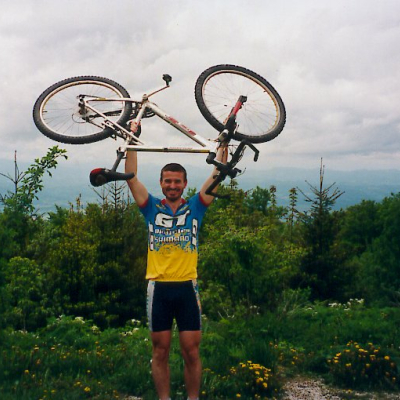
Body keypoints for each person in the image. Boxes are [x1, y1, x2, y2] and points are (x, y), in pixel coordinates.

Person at [125, 144, 228, 400]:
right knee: (160, 351)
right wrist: (130, 143)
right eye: (168, 181)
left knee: (191, 352)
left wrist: (224, 144)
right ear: (161, 183)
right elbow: (131, 177)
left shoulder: (196, 206)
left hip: (186, 287)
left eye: (177, 182)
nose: (172, 186)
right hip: (158, 287)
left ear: (185, 184)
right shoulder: (151, 207)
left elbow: (218, 174)